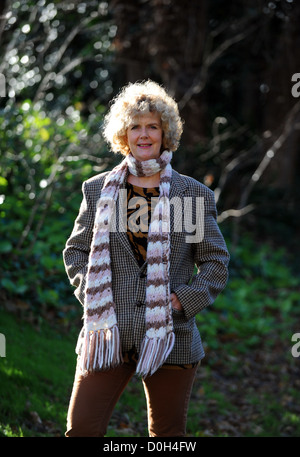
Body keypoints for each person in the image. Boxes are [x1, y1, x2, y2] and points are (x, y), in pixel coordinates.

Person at [63, 80, 230, 437]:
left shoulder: (193, 195)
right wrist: (95, 295)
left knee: (167, 437)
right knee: (81, 430)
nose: (144, 134)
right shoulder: (97, 190)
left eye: (152, 126)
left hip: (172, 335)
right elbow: (76, 250)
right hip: (107, 334)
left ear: (164, 132)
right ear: (124, 133)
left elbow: (216, 262)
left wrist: (183, 301)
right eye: (135, 126)